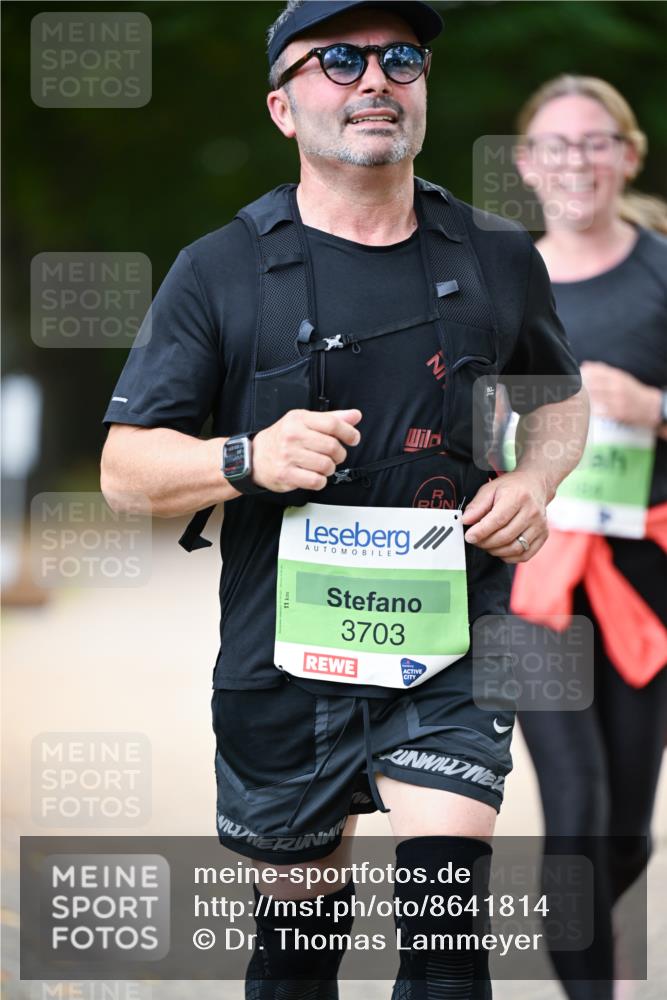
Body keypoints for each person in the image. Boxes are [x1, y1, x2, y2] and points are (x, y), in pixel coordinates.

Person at [100, 4, 588, 998]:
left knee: (448, 946)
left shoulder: (496, 256)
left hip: (447, 648)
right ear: (282, 107)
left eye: (400, 57)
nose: (374, 78)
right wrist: (247, 456)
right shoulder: (218, 269)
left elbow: (558, 399)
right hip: (282, 660)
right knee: (296, 954)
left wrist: (534, 480)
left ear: (422, 86)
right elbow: (123, 469)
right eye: (337, 60)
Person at [511, 75, 667, 1000]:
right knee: (574, 815)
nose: (576, 160)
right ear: (526, 164)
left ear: (627, 156)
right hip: (528, 585)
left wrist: (655, 407)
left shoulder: (661, 273)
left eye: (595, 141)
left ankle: (589, 953)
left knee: (624, 834)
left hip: (643, 583)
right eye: (556, 145)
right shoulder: (498, 279)